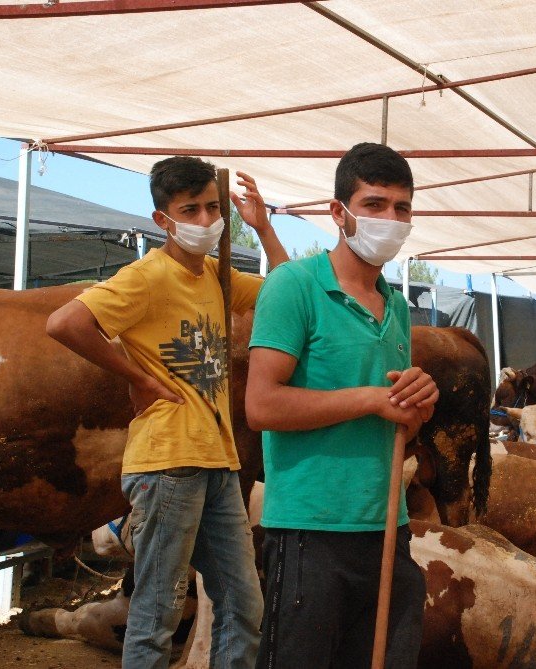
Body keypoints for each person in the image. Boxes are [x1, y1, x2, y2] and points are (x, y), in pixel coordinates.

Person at [47, 156, 288, 668]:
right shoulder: (146, 276)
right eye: (190, 210)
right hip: (167, 463)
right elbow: (66, 323)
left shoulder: (218, 278)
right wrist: (137, 378)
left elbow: (288, 292)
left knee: (244, 604)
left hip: (219, 462)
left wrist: (263, 227)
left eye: (213, 209)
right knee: (157, 610)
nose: (205, 221)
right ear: (163, 220)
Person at [245, 142, 439, 668]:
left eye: (402, 208)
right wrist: (372, 399)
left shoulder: (396, 305)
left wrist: (415, 402)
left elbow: (396, 417)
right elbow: (261, 405)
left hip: (385, 527)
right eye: (375, 205)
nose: (390, 220)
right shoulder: (294, 286)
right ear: (339, 212)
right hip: (312, 528)